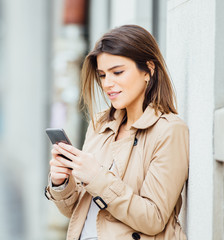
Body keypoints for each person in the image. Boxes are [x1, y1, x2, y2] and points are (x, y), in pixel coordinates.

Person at [45, 25, 189, 240]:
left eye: (118, 72)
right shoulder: (101, 124)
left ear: (148, 69)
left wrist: (96, 176)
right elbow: (77, 212)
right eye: (102, 75)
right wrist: (62, 183)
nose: (107, 84)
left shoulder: (169, 130)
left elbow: (153, 219)